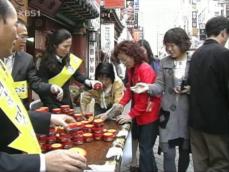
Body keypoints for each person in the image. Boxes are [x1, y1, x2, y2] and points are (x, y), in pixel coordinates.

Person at [0, 0, 86, 171]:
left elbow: (9, 115)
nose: (18, 38)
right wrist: (42, 163)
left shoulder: (5, 66)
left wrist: (50, 119)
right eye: (13, 29)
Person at [132, 28, 191, 172]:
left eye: (172, 45)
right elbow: (160, 85)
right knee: (168, 153)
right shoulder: (164, 62)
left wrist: (191, 89)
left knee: (184, 152)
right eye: (167, 46)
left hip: (187, 114)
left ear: (182, 44)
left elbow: (203, 84)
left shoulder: (194, 61)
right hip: (167, 115)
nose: (169, 49)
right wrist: (147, 87)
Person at [112, 40, 160, 172]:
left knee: (145, 150)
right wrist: (121, 104)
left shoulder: (145, 69)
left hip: (149, 116)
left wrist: (129, 115)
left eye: (124, 59)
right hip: (140, 115)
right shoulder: (131, 69)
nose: (124, 63)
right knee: (146, 150)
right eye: (121, 61)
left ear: (133, 54)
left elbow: (144, 100)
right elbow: (129, 89)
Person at [188, 16, 229, 171]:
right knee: (221, 163)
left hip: (196, 121)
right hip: (217, 123)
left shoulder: (196, 54)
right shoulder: (224, 54)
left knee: (200, 163)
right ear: (223, 33)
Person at [4, 19, 63, 109]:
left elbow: (35, 82)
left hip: (18, 110)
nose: (25, 40)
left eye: (26, 37)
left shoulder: (27, 59)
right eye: (22, 36)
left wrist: (51, 87)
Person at [38, 29, 101, 110]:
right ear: (55, 45)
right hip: (52, 104)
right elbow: (42, 88)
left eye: (69, 46)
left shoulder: (69, 59)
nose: (68, 50)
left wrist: (90, 82)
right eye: (65, 46)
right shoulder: (45, 63)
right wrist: (52, 108)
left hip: (67, 103)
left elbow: (77, 75)